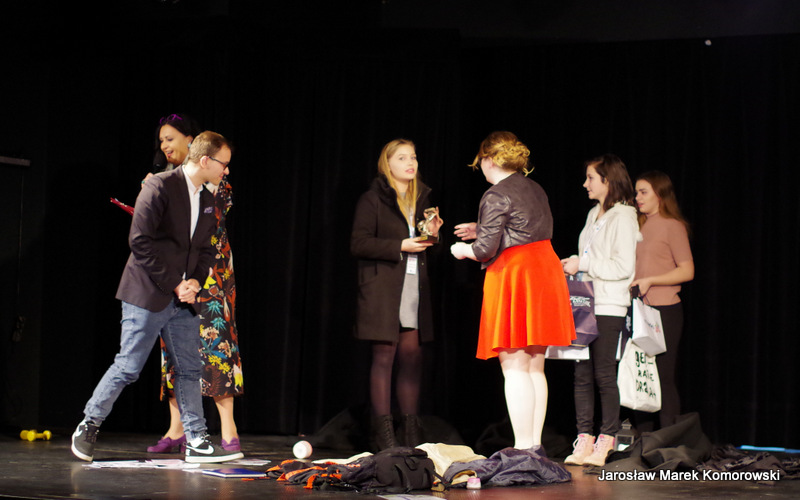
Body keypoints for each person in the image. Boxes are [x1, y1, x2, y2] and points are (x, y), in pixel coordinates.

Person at [71, 131, 243, 464]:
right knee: (128, 366)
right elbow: (140, 241)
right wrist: (176, 283)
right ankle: (89, 423)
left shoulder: (208, 199)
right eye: (223, 164)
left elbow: (207, 249)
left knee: (190, 369)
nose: (226, 170)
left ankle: (196, 439)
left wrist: (195, 281)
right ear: (205, 160)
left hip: (183, 300)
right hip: (147, 293)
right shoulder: (159, 187)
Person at [450, 131, 575, 451]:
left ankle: (522, 449)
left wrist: (462, 250)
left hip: (516, 274)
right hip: (544, 269)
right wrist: (481, 229)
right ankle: (533, 447)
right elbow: (526, 228)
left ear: (489, 160)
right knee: (535, 365)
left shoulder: (495, 194)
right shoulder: (535, 187)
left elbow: (484, 250)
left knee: (515, 365)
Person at [144, 114, 244, 454]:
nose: (164, 146)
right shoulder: (163, 181)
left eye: (170, 138)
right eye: (161, 140)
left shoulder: (215, 179)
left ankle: (228, 428)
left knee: (216, 344)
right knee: (175, 345)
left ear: (191, 142)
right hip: (175, 273)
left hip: (211, 271)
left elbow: (213, 219)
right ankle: (178, 429)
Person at [350, 139, 442, 451]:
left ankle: (411, 433)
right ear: (387, 164)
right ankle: (384, 434)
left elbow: (426, 245)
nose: (410, 163)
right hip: (383, 290)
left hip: (414, 286)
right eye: (402, 158)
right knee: (384, 357)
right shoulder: (373, 199)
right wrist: (400, 245)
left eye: (413, 157)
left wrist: (433, 236)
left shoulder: (422, 199)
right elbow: (359, 243)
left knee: (412, 357)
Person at [561, 154, 639, 466]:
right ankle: (584, 438)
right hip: (586, 301)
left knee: (604, 373)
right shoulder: (594, 213)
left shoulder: (624, 217)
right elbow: (590, 255)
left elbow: (623, 266)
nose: (585, 184)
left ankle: (607, 438)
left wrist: (584, 263)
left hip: (609, 304)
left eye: (591, 178)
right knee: (581, 373)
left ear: (608, 180)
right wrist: (575, 265)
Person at [631, 171, 694, 430]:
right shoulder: (636, 226)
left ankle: (668, 438)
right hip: (638, 310)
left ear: (660, 194)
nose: (637, 197)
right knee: (640, 377)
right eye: (636, 192)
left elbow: (687, 270)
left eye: (643, 192)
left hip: (665, 310)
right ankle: (643, 438)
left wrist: (651, 280)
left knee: (663, 376)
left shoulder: (672, 225)